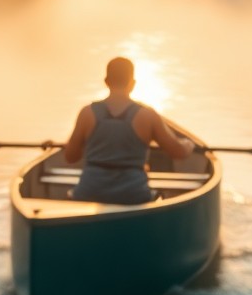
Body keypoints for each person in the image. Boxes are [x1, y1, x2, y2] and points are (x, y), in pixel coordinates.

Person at [62, 57, 196, 204]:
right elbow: (178, 152)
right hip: (132, 195)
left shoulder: (87, 113)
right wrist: (188, 144)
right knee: (158, 198)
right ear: (132, 84)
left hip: (90, 192)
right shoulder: (147, 115)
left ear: (106, 81)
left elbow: (70, 156)